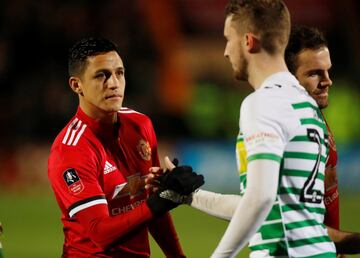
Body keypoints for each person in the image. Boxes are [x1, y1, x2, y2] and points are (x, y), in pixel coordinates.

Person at [149, 0, 337, 257]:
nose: (226, 51)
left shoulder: (263, 103)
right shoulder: (305, 104)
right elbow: (269, 206)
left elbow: (260, 199)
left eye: (228, 39)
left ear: (248, 41)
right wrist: (188, 196)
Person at [47, 37, 204, 257]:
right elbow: (101, 234)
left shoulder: (141, 125)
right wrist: (162, 200)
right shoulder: (71, 150)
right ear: (76, 85)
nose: (113, 83)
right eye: (102, 75)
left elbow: (151, 206)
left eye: (119, 73)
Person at [285, 25, 360, 256]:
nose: (328, 81)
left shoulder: (316, 118)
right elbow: (295, 224)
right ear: (289, 78)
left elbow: (327, 197)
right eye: (314, 73)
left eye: (328, 71)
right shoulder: (286, 130)